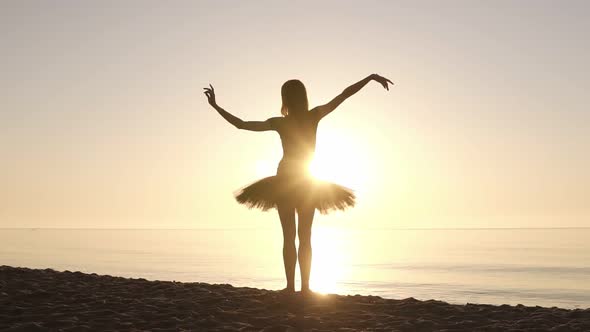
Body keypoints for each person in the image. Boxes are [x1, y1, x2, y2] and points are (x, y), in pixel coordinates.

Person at [204, 74, 393, 294]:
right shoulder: (314, 116)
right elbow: (344, 95)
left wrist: (216, 106)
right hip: (305, 182)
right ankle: (305, 288)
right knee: (305, 236)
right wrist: (370, 78)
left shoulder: (280, 122)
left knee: (289, 237)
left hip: (285, 181)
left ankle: (290, 287)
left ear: (284, 98)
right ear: (303, 97)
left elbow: (242, 125)